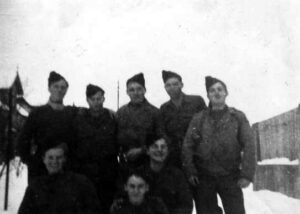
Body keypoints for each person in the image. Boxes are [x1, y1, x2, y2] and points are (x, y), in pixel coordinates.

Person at [182, 76, 256, 214]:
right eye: (212, 90)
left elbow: (249, 145)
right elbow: (188, 145)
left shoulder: (237, 117)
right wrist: (190, 171)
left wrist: (246, 174)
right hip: (204, 177)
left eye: (220, 89)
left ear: (226, 93)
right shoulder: (199, 118)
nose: (216, 93)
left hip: (230, 176)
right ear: (208, 95)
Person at [17, 71, 77, 182]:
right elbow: (22, 142)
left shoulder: (71, 114)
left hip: (65, 170)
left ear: (66, 91)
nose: (59, 90)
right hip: (40, 171)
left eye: (63, 87)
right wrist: (32, 162)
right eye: (56, 86)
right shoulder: (37, 113)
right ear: (49, 88)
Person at [18, 138, 102, 214]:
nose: (54, 162)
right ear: (44, 159)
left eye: (58, 157)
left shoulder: (81, 184)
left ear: (64, 159)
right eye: (50, 157)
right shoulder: (35, 186)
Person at [74, 84, 118, 214]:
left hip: (107, 172)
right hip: (85, 172)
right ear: (87, 100)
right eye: (93, 99)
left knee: (106, 206)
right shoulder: (79, 118)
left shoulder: (112, 118)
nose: (96, 102)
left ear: (104, 99)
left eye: (99, 98)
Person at [160, 70, 206, 168]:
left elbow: (207, 124)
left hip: (197, 154)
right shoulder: (164, 108)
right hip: (175, 156)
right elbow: (163, 132)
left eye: (175, 84)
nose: (172, 88)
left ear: (181, 85)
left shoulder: (196, 101)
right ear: (165, 88)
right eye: (168, 85)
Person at [117, 73, 164, 169]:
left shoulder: (154, 112)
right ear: (127, 92)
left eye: (139, 89)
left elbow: (161, 139)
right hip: (125, 163)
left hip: (148, 161)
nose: (136, 93)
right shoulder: (121, 112)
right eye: (132, 90)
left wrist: (141, 150)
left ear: (144, 90)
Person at [143, 133, 193, 214]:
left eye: (163, 147)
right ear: (147, 151)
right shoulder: (138, 175)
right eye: (155, 146)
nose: (159, 150)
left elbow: (186, 205)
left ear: (168, 152)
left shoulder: (177, 176)